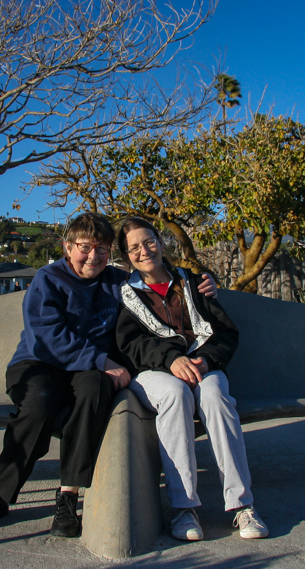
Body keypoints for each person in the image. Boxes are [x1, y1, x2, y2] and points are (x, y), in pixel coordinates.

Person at [0, 213, 217, 538]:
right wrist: (99, 359)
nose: (93, 256)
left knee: (95, 391)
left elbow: (156, 284)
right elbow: (46, 336)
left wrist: (199, 283)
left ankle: (68, 497)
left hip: (93, 369)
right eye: (85, 247)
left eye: (102, 249)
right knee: (39, 403)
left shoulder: (117, 282)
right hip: (41, 363)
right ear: (67, 247)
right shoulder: (48, 279)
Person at [114, 216, 269, 541]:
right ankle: (184, 509)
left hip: (203, 364)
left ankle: (243, 506)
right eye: (134, 248)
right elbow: (131, 345)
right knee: (174, 394)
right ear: (126, 256)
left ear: (160, 239)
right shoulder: (127, 295)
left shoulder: (194, 283)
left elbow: (225, 333)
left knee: (215, 395)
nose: (144, 251)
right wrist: (172, 360)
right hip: (155, 374)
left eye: (149, 241)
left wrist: (206, 359)